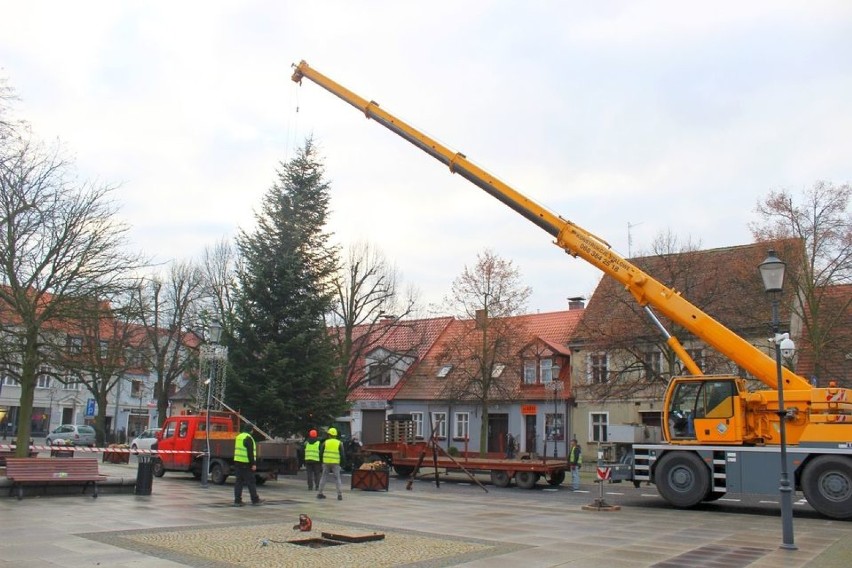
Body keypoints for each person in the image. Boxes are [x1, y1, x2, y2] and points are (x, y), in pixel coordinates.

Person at [233, 424, 263, 506]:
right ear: (250, 430)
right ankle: (255, 500)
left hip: (237, 462)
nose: (253, 431)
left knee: (238, 482)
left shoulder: (239, 437)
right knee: (251, 482)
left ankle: (237, 500)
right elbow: (250, 453)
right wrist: (253, 464)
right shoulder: (248, 438)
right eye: (252, 430)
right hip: (246, 464)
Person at [317, 426, 344, 501]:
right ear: (335, 435)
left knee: (324, 477)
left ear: (329, 435)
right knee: (337, 478)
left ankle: (320, 493)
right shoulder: (339, 443)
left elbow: (321, 453)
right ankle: (339, 495)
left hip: (326, 462)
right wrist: (342, 464)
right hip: (335, 463)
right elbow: (342, 454)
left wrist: (321, 461)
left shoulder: (325, 442)